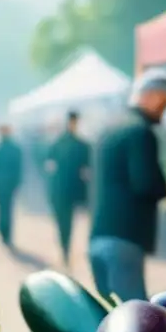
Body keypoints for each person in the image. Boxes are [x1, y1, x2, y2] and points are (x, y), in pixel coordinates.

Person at [89, 75, 166, 302]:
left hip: (98, 237)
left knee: (109, 317)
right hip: (125, 240)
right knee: (135, 321)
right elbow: (145, 183)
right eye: (165, 104)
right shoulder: (141, 132)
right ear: (153, 96)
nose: (165, 112)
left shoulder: (110, 127)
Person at [45, 111, 91, 266]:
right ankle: (64, 248)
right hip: (62, 188)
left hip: (68, 189)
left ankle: (65, 249)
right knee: (62, 221)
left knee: (67, 221)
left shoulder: (78, 144)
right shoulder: (62, 143)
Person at [0, 124, 24, 247]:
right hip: (8, 183)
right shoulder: (13, 148)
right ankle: (6, 233)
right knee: (7, 208)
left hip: (0, 183)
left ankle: (3, 231)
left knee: (2, 208)